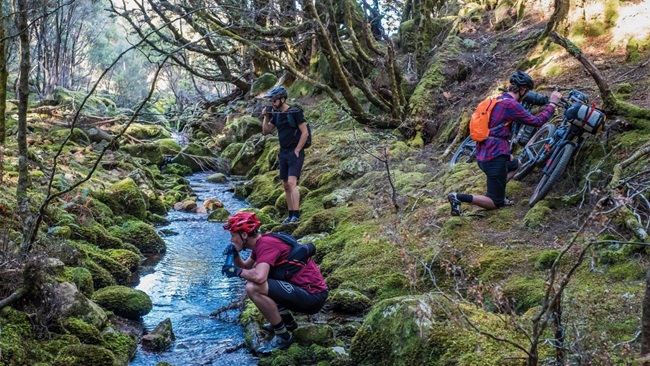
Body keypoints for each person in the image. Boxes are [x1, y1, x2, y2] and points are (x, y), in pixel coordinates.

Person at [447, 71, 563, 216]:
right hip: (494, 158)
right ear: (522, 90)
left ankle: (498, 191)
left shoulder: (498, 99)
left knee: (515, 164)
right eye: (526, 92)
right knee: (495, 203)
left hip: (484, 154)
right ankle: (458, 197)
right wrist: (552, 104)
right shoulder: (510, 105)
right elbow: (536, 121)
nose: (526, 96)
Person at [221, 212, 329, 352]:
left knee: (253, 287)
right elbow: (246, 266)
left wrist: (236, 272)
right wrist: (235, 256)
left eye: (233, 236)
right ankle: (287, 322)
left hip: (312, 296)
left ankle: (283, 336)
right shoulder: (261, 243)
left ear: (244, 235)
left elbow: (259, 277)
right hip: (304, 292)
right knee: (260, 279)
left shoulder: (266, 245)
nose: (231, 240)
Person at [261, 86, 309, 224]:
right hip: (283, 153)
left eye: (274, 100)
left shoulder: (295, 112)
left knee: (292, 183)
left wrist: (298, 150)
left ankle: (296, 215)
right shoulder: (276, 114)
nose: (272, 103)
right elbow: (266, 131)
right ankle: (290, 214)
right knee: (286, 185)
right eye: (271, 101)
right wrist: (266, 116)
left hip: (295, 152)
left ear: (282, 99)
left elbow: (304, 132)